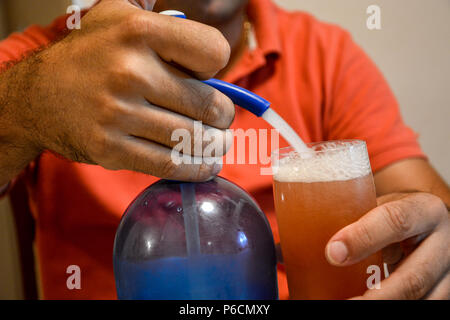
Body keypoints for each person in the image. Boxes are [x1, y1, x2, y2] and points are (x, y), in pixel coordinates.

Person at [0, 0, 448, 300]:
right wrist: (33, 102)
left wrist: (432, 241)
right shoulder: (41, 60)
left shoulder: (322, 55)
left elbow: (423, 206)